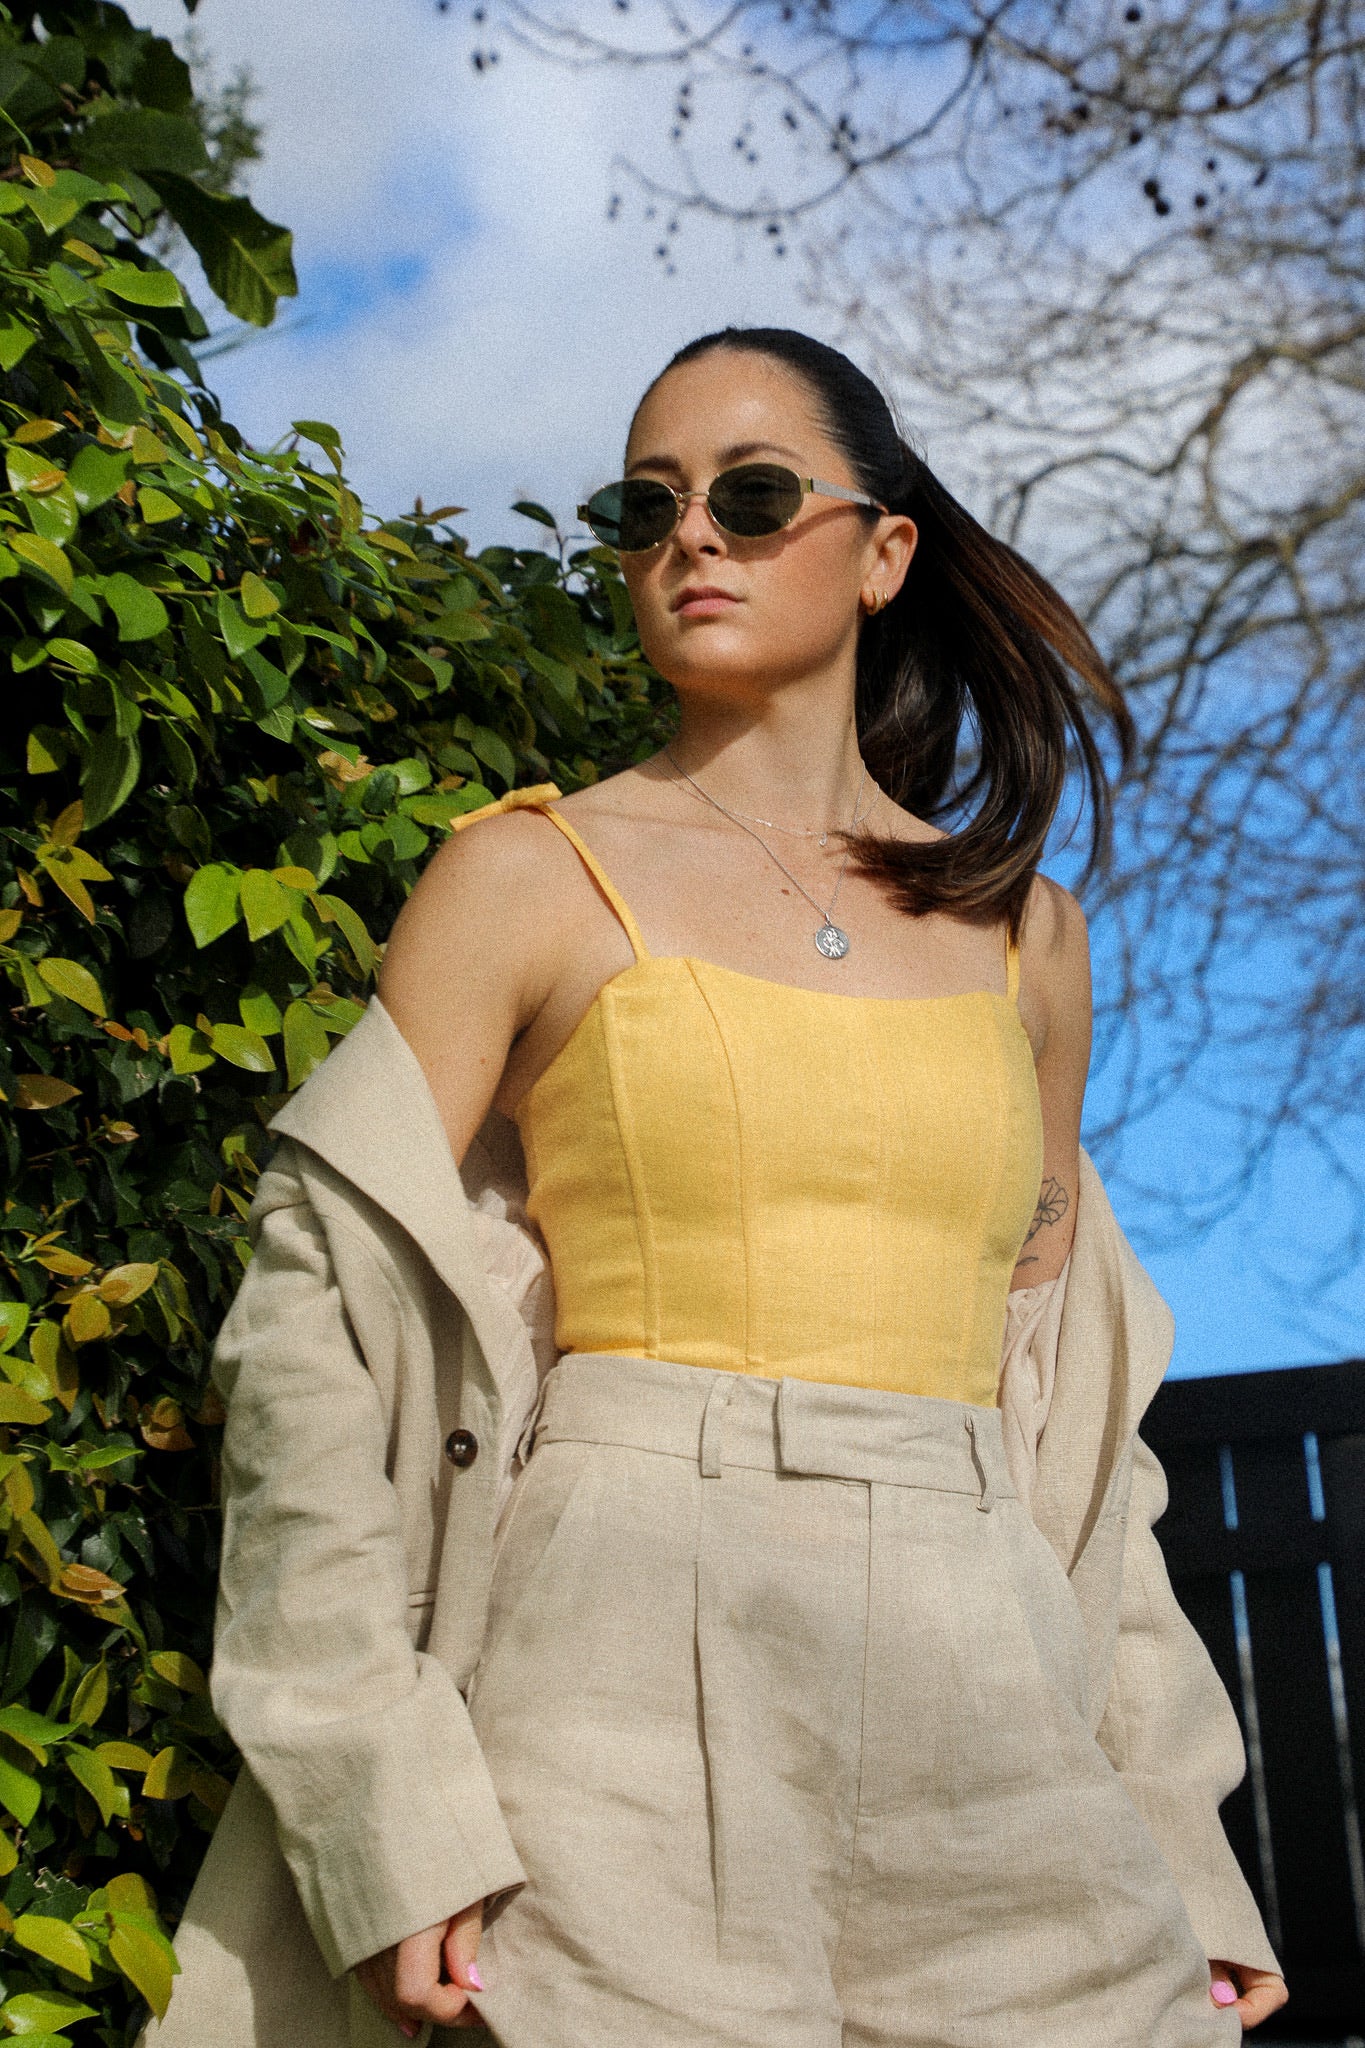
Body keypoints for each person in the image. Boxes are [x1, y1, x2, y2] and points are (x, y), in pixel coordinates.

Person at [148, 327, 1289, 2048]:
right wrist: (383, 1804)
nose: (689, 535)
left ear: (882, 551)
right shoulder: (521, 876)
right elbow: (309, 1355)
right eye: (646, 505)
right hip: (610, 1676)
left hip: (990, 1687)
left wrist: (1179, 1844)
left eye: (751, 497)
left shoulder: (1026, 938)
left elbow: (1067, 1428)